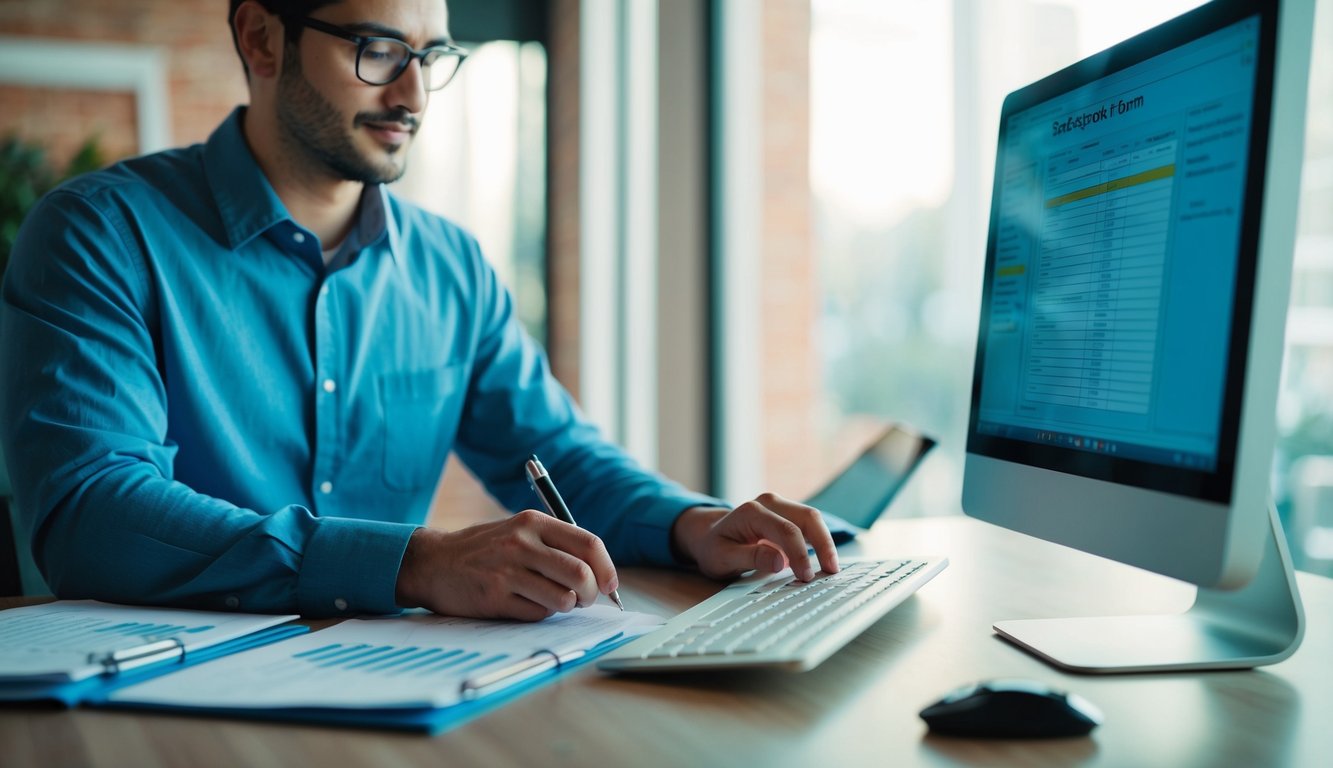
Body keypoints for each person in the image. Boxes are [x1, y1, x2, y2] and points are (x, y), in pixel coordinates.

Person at [0, 0, 838, 620]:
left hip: (392, 687)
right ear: (260, 36)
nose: (413, 94)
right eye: (376, 49)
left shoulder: (451, 268)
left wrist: (693, 523)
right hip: (163, 703)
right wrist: (413, 563)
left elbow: (558, 461)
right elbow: (90, 511)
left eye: (431, 55)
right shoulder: (99, 234)